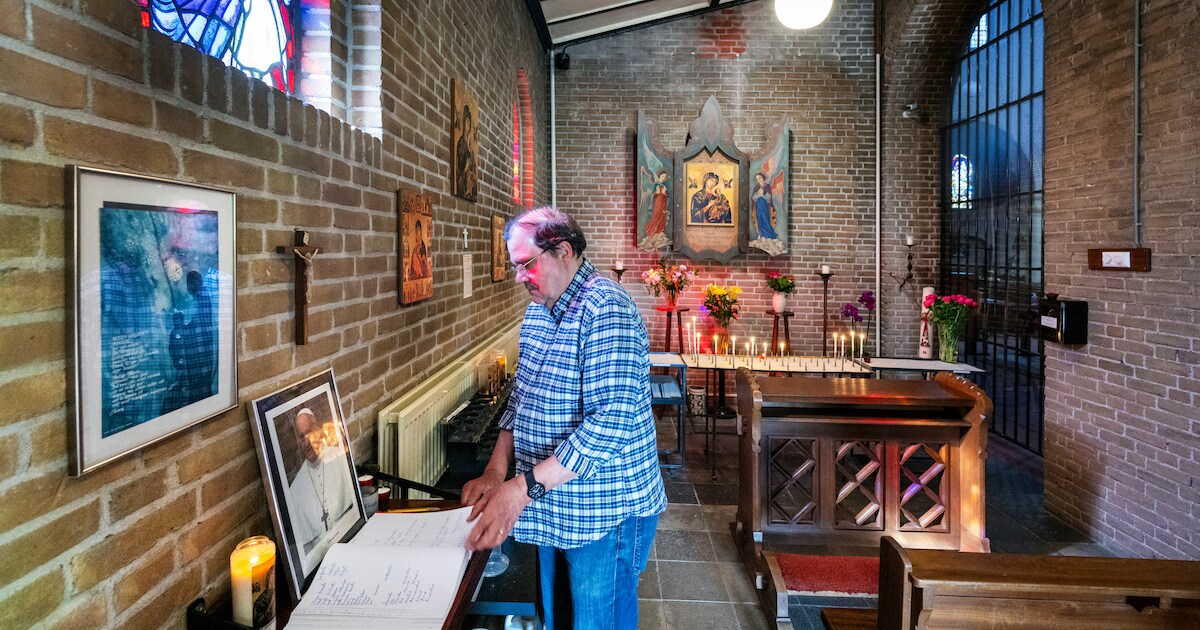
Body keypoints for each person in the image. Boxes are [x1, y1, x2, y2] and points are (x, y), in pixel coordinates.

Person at [462, 207, 666, 630]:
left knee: (597, 623)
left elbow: (608, 425)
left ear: (564, 251)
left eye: (526, 264)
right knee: (557, 619)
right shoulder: (539, 310)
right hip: (554, 502)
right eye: (515, 266)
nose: (519, 277)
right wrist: (495, 471)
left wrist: (519, 491)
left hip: (605, 510)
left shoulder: (606, 308)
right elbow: (521, 399)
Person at [288, 407, 355, 555]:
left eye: (309, 433)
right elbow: (305, 551)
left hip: (349, 540)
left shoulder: (340, 458)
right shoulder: (295, 489)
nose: (306, 442)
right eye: (301, 436)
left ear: (318, 429)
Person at [752, 171, 779, 240]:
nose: (759, 180)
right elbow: (753, 197)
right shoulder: (756, 187)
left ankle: (770, 235)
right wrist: (758, 195)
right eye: (757, 179)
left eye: (760, 178)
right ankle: (761, 234)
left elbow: (769, 197)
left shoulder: (767, 186)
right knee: (759, 219)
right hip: (758, 206)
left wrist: (762, 195)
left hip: (765, 206)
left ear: (763, 178)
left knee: (765, 220)